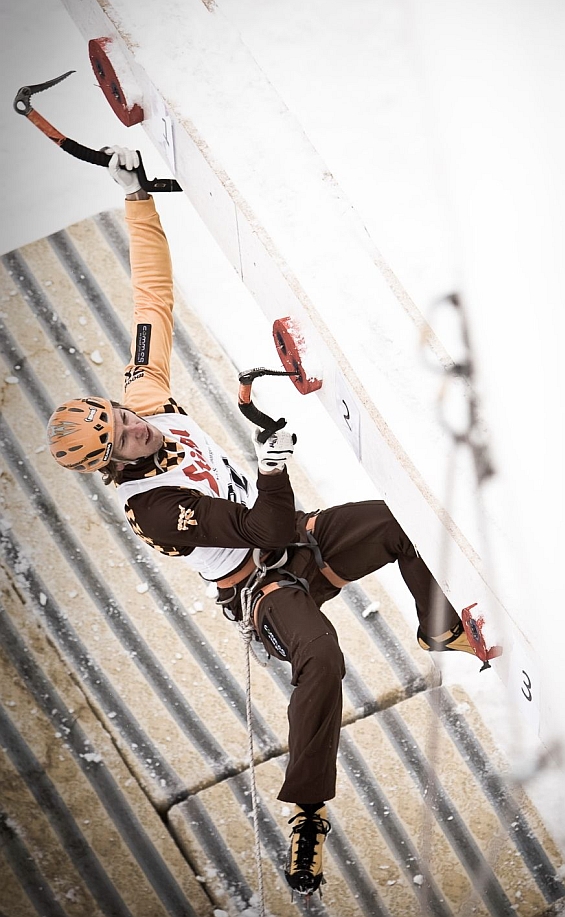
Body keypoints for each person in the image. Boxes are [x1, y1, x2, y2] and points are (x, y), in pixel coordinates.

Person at [47, 147, 474, 898]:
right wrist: (270, 462)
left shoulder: (145, 399)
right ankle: (307, 811)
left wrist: (135, 198)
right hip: (266, 587)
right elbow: (261, 531)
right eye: (120, 435)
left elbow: (152, 298)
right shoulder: (157, 511)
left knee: (399, 521)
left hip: (300, 536)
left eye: (121, 414)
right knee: (324, 659)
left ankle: (436, 624)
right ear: (108, 463)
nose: (136, 426)